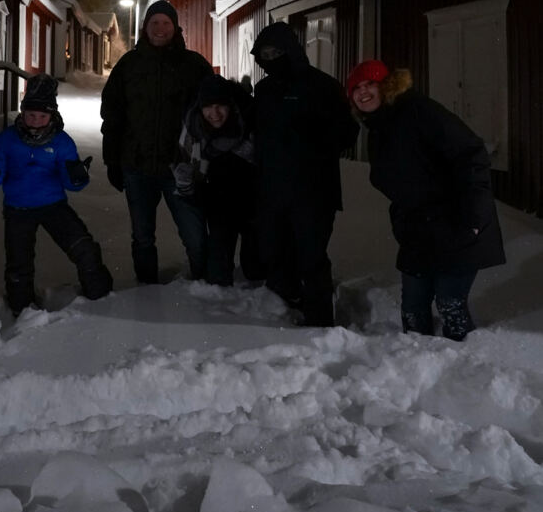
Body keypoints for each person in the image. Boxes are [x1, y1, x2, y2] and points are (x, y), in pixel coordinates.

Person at [346, 59, 506, 340]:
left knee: (449, 303)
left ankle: (461, 368)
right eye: (356, 88)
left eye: (370, 83)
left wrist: (474, 217)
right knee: (412, 307)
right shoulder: (378, 128)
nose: (364, 92)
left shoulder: (418, 111)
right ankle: (413, 365)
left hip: (457, 222)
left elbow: (471, 154)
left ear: (386, 85)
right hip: (418, 230)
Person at [0, 73, 113, 316]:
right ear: (23, 113)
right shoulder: (7, 140)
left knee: (83, 247)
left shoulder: (61, 142)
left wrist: (78, 176)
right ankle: (21, 308)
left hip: (53, 206)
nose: (36, 121)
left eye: (42, 116)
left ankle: (100, 297)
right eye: (30, 115)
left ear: (52, 116)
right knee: (18, 263)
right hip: (18, 209)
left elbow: (72, 183)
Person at [251, 22, 359, 326]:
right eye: (264, 53)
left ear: (291, 50)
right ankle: (286, 308)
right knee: (276, 254)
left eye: (276, 51)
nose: (271, 58)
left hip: (314, 192)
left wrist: (320, 132)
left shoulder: (323, 86)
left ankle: (320, 323)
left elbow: (348, 134)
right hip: (273, 191)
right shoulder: (264, 90)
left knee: (311, 257)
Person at [100, 0, 212, 283]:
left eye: (166, 23)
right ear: (145, 27)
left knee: (195, 236)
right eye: (154, 23)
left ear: (175, 28)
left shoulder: (194, 65)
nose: (160, 29)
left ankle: (205, 286)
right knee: (142, 237)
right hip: (137, 167)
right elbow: (112, 115)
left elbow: (213, 111)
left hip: (180, 168)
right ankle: (146, 290)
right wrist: (112, 160)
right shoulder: (129, 65)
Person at [172, 74, 264, 286]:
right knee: (218, 273)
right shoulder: (193, 127)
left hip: (252, 203)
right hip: (218, 204)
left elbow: (265, 164)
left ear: (230, 105)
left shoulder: (247, 124)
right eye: (208, 107)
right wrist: (185, 180)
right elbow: (185, 166)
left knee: (255, 269)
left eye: (220, 106)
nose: (215, 114)